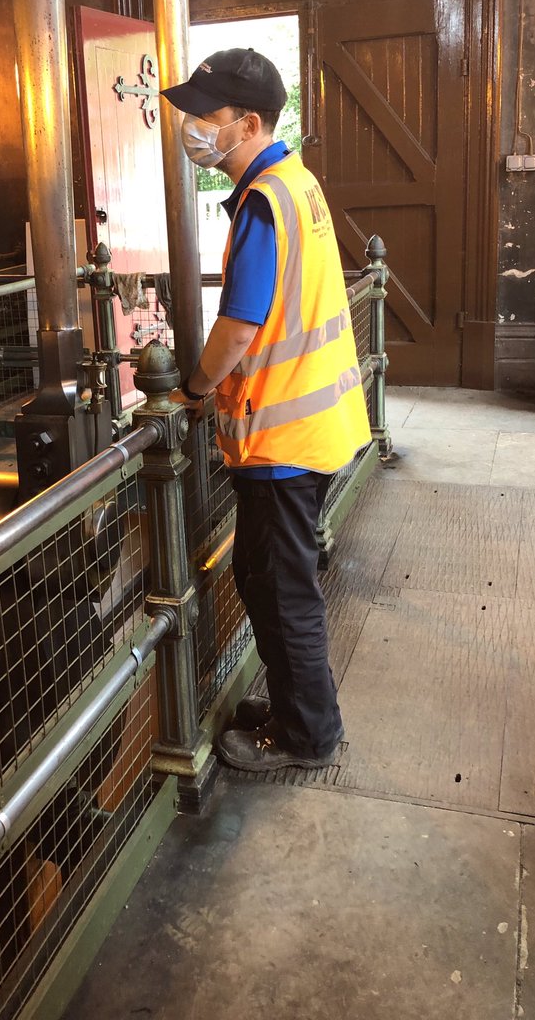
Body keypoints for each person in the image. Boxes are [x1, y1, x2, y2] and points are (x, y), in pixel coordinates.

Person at [161, 47, 371, 772]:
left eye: (206, 114)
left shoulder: (263, 201)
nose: (192, 126)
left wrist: (192, 390)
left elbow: (239, 328)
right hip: (306, 429)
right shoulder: (296, 182)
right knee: (260, 577)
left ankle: (308, 736)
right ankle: (293, 708)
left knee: (282, 594)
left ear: (248, 123)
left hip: (282, 439)